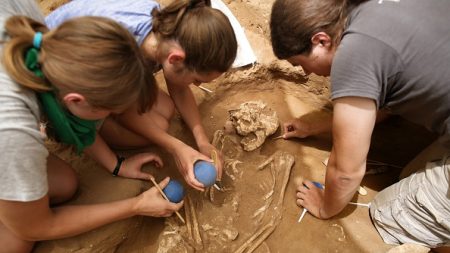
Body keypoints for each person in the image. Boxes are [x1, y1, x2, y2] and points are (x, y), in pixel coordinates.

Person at [0, 1, 183, 252]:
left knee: (63, 184)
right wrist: (135, 205)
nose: (112, 116)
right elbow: (36, 226)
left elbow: (77, 120)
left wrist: (117, 165)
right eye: (108, 112)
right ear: (74, 100)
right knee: (16, 241)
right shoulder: (12, 129)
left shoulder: (36, 33)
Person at [270, 0, 450, 251]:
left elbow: (347, 172)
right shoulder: (369, 9)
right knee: (410, 177)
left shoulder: (353, 53)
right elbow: (383, 104)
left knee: (389, 211)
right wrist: (314, 127)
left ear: (321, 41)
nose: (306, 73)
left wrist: (325, 206)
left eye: (300, 64)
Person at [45, 0, 238, 191]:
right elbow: (122, 108)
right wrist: (176, 148)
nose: (196, 85)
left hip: (91, 72)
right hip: (64, 83)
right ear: (176, 59)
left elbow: (178, 88)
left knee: (166, 110)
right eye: (197, 79)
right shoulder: (118, 56)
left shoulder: (171, 30)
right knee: (157, 126)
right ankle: (72, 126)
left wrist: (202, 140)